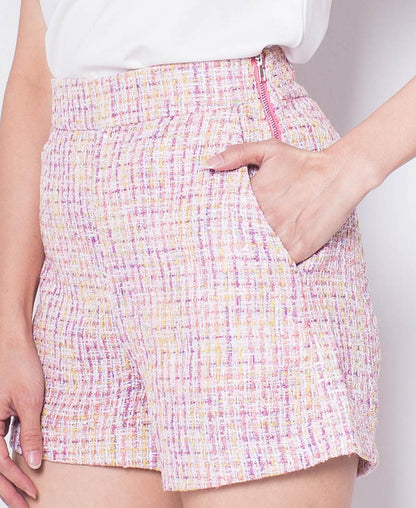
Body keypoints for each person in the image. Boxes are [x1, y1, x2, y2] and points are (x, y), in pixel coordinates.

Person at [0, 0, 410, 506]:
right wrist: (9, 324)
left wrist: (355, 165)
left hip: (228, 198)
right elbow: (34, 76)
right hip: (72, 241)